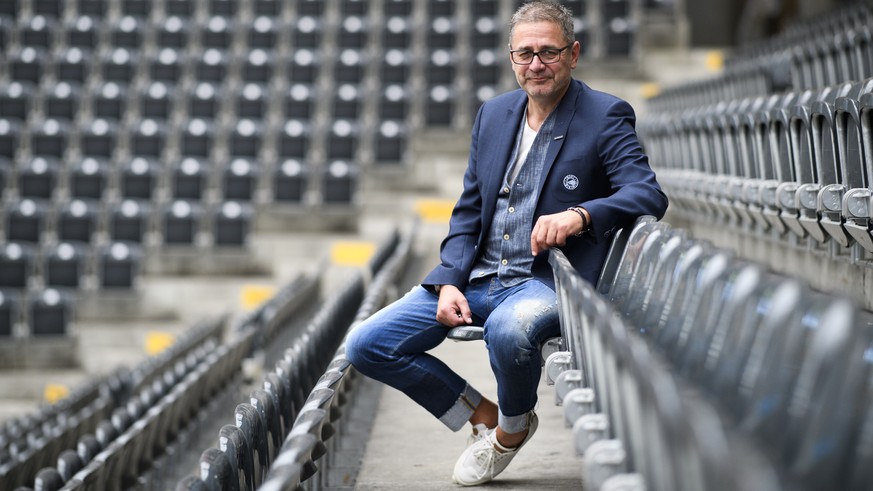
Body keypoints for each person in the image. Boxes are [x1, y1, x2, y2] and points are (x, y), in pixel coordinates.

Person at [345, 0, 668, 486]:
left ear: (574, 53)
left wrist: (581, 215)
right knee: (367, 344)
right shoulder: (494, 114)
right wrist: (449, 280)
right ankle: (483, 414)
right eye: (525, 54)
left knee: (508, 330)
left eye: (549, 52)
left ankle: (512, 432)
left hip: (544, 281)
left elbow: (647, 193)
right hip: (478, 275)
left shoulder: (605, 115)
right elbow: (470, 209)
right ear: (510, 57)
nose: (536, 64)